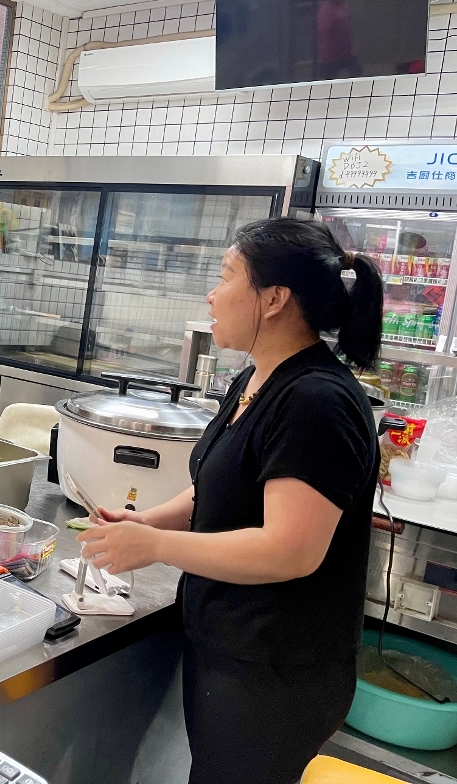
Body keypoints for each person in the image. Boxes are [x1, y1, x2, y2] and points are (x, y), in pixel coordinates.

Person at [77, 219, 383, 784]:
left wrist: (156, 546)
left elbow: (290, 550)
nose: (212, 296)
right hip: (231, 645)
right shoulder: (257, 380)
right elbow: (217, 486)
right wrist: (148, 521)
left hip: (276, 668)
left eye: (225, 277)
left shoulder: (316, 400)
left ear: (274, 298)